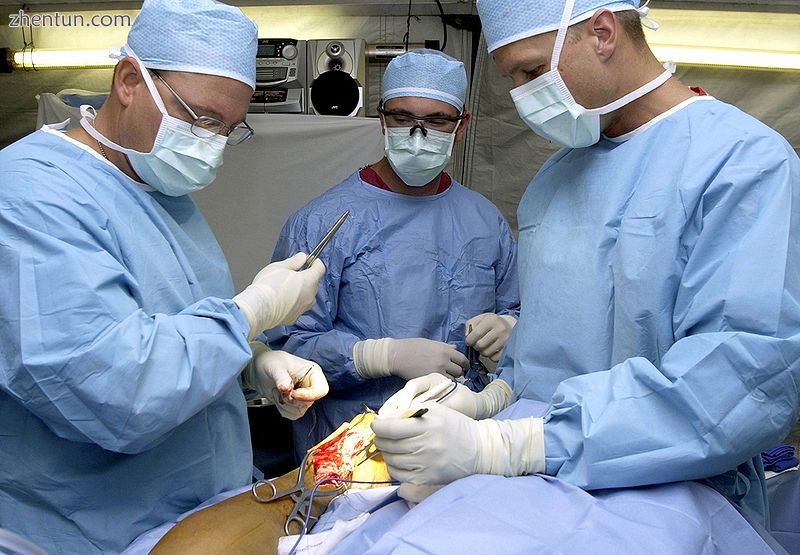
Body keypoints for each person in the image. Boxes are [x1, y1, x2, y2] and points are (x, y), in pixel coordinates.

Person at [371, 0, 800, 529]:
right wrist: (491, 401)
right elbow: (552, 339)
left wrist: (511, 443)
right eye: (513, 78)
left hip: (673, 489)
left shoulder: (743, 163)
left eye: (532, 71)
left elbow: (739, 381)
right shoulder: (554, 180)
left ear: (602, 32)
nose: (523, 96)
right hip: (538, 478)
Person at [0, 1, 329, 552]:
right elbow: (115, 390)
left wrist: (254, 362)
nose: (213, 142)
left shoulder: (159, 192)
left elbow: (170, 327)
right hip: (84, 531)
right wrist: (255, 310)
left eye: (229, 127)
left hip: (192, 518)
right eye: (201, 118)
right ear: (129, 80)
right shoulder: (29, 196)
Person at [268, 49, 520, 458]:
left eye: (437, 120)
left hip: (467, 445)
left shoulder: (484, 221)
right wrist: (378, 356)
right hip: (353, 452)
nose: (418, 134)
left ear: (461, 126)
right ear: (381, 117)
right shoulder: (322, 223)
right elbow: (287, 349)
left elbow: (523, 318)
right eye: (403, 118)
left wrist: (510, 330)